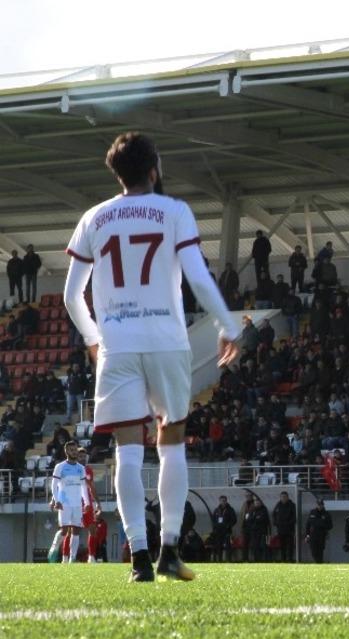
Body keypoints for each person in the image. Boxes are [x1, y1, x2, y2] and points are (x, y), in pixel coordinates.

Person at [63, 132, 241, 582]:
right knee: (172, 444)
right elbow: (197, 278)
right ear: (154, 169)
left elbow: (70, 295)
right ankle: (171, 551)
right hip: (166, 340)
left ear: (116, 173)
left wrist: (92, 337)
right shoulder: (174, 211)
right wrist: (228, 325)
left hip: (117, 345)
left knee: (126, 454)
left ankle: (138, 558)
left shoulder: (95, 217)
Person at [48, 441, 90, 564]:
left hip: (77, 504)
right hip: (64, 503)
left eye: (75, 449)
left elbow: (83, 487)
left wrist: (86, 502)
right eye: (71, 450)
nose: (74, 452)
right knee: (64, 530)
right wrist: (56, 500)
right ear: (66, 451)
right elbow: (54, 485)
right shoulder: (60, 467)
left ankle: (72, 559)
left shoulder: (81, 468)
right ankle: (54, 547)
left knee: (76, 530)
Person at [305, 498, 333, 563]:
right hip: (313, 535)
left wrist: (322, 525)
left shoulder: (326, 514)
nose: (319, 506)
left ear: (323, 505)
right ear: (316, 505)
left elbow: (330, 526)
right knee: (313, 551)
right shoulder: (312, 512)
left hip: (322, 535)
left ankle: (319, 563)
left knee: (320, 551)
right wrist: (307, 535)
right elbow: (308, 524)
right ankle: (318, 562)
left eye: (321, 505)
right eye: (318, 505)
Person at [210, 495, 237, 562]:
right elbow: (213, 520)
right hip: (218, 531)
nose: (223, 502)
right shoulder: (216, 510)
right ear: (219, 501)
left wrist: (228, 525)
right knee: (219, 546)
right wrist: (215, 527)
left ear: (226, 501)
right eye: (222, 501)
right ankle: (219, 560)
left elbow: (234, 520)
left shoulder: (230, 510)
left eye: (224, 501)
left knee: (228, 546)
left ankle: (229, 560)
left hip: (227, 531)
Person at [272, 491, 296, 563]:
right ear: (280, 498)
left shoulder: (292, 505)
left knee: (290, 546)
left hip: (289, 530)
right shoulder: (278, 505)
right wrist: (276, 523)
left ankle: (290, 559)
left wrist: (288, 523)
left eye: (285, 497)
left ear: (288, 497)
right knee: (282, 546)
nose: (283, 498)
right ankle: (283, 559)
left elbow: (294, 517)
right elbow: (274, 515)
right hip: (280, 530)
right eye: (282, 497)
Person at [245, 496, 270, 562]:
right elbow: (248, 520)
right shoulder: (251, 510)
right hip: (253, 532)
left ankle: (264, 561)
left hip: (262, 532)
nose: (257, 503)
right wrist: (255, 518)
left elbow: (263, 519)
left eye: (258, 502)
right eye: (255, 502)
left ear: (261, 502)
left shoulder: (264, 510)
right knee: (255, 546)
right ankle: (256, 560)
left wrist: (254, 519)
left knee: (263, 546)